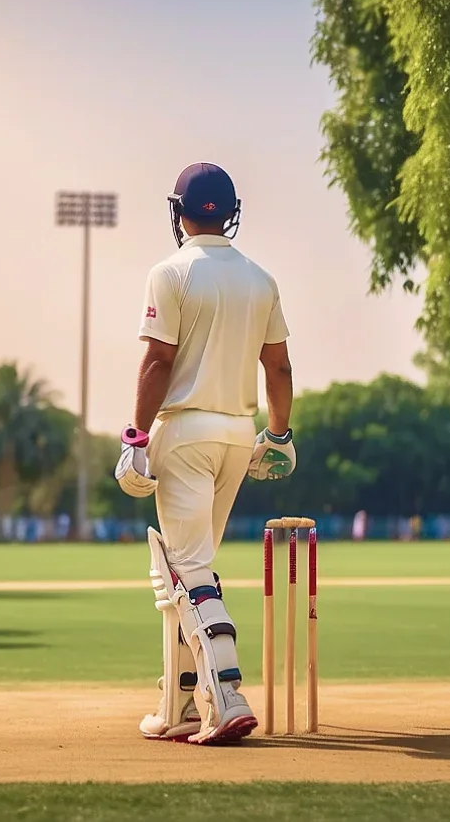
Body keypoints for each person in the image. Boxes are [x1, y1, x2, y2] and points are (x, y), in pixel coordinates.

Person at [114, 162, 296, 746]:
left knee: (187, 568)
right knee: (191, 567)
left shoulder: (170, 273)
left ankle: (228, 695)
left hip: (185, 432)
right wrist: (280, 434)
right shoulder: (260, 279)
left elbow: (159, 361)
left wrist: (136, 437)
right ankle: (181, 703)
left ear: (178, 211)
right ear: (233, 213)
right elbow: (279, 365)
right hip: (238, 434)